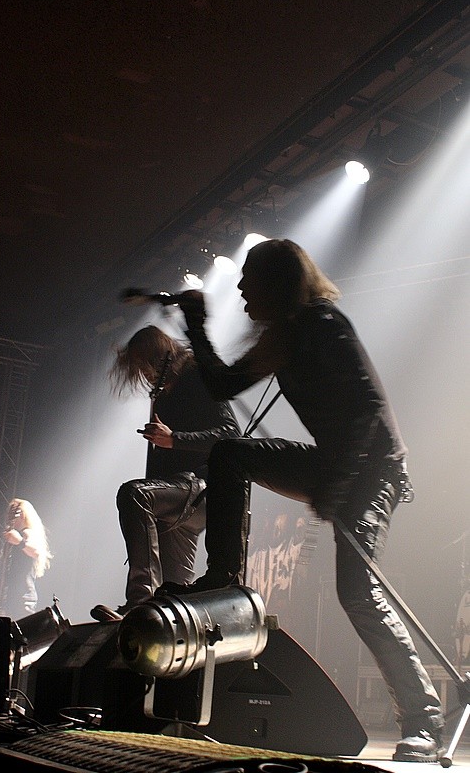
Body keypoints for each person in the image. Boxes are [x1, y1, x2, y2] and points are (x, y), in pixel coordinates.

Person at [157, 239, 445, 763]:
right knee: (230, 454)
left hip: (372, 468)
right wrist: (197, 324)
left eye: (249, 279)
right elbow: (222, 385)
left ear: (277, 284)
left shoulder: (323, 326)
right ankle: (223, 575)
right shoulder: (282, 337)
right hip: (332, 462)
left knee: (357, 593)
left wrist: (334, 491)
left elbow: (367, 415)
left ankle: (423, 720)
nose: (241, 289)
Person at [90, 324, 241, 622]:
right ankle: (166, 625)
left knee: (133, 494)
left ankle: (140, 600)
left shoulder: (197, 374)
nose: (142, 374)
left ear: (160, 356)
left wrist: (174, 438)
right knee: (176, 601)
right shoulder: (162, 397)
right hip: (178, 500)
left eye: (144, 365)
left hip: (206, 489)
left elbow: (231, 434)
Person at [0, 497, 52, 620]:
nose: (10, 518)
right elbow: (7, 571)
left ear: (22, 515)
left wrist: (19, 541)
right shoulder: (14, 537)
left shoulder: (27, 532)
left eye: (14, 514)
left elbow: (35, 551)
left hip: (22, 598)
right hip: (10, 597)